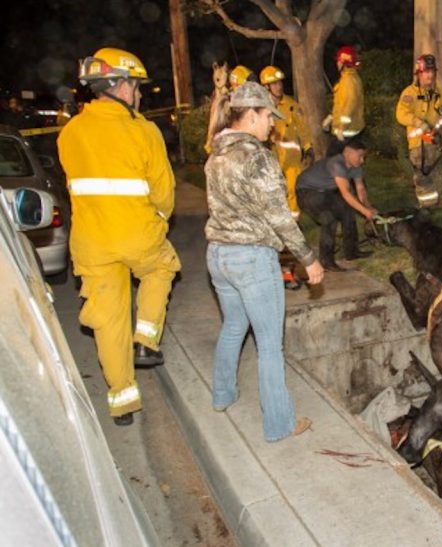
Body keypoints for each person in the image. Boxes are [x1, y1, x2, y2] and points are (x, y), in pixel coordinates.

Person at [57, 47, 181, 425]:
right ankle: (146, 341)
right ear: (121, 86)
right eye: (137, 86)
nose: (139, 94)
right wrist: (159, 218)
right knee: (162, 268)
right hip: (137, 234)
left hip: (92, 243)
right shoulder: (143, 130)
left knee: (109, 323)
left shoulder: (70, 132)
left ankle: (122, 403)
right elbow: (164, 191)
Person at [205, 82, 323, 441]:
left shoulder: (215, 154)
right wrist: (308, 259)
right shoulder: (257, 157)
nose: (272, 124)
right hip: (252, 259)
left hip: (218, 256)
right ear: (251, 115)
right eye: (267, 118)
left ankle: (222, 394)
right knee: (270, 345)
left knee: (234, 326)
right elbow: (280, 217)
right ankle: (280, 424)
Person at [396, 54, 442, 208]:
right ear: (419, 73)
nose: (430, 75)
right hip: (419, 144)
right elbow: (401, 114)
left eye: (432, 71)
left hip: (435, 136)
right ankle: (428, 207)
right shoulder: (410, 93)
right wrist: (418, 122)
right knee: (423, 176)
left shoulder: (439, 91)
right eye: (426, 72)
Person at [296, 140, 376, 272]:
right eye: (360, 156)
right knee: (328, 219)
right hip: (306, 191)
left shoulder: (356, 167)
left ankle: (352, 251)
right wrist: (365, 212)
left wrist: (368, 207)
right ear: (348, 153)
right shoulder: (336, 164)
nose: (362, 160)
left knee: (347, 210)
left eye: (364, 157)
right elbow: (345, 193)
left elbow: (360, 189)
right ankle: (327, 261)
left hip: (325, 192)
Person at [260, 65, 313, 220]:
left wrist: (308, 148)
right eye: (274, 84)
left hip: (292, 158)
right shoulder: (262, 107)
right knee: (273, 191)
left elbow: (303, 129)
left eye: (280, 83)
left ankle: (294, 224)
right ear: (267, 87)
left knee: (292, 190)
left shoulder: (291, 105)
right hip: (271, 157)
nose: (279, 86)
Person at [325, 46, 365, 156]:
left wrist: (341, 128)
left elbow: (349, 107)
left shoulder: (348, 81)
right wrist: (331, 118)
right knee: (345, 163)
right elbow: (341, 105)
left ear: (344, 63)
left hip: (346, 132)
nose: (337, 63)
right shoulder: (348, 79)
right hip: (349, 130)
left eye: (339, 61)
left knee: (332, 161)